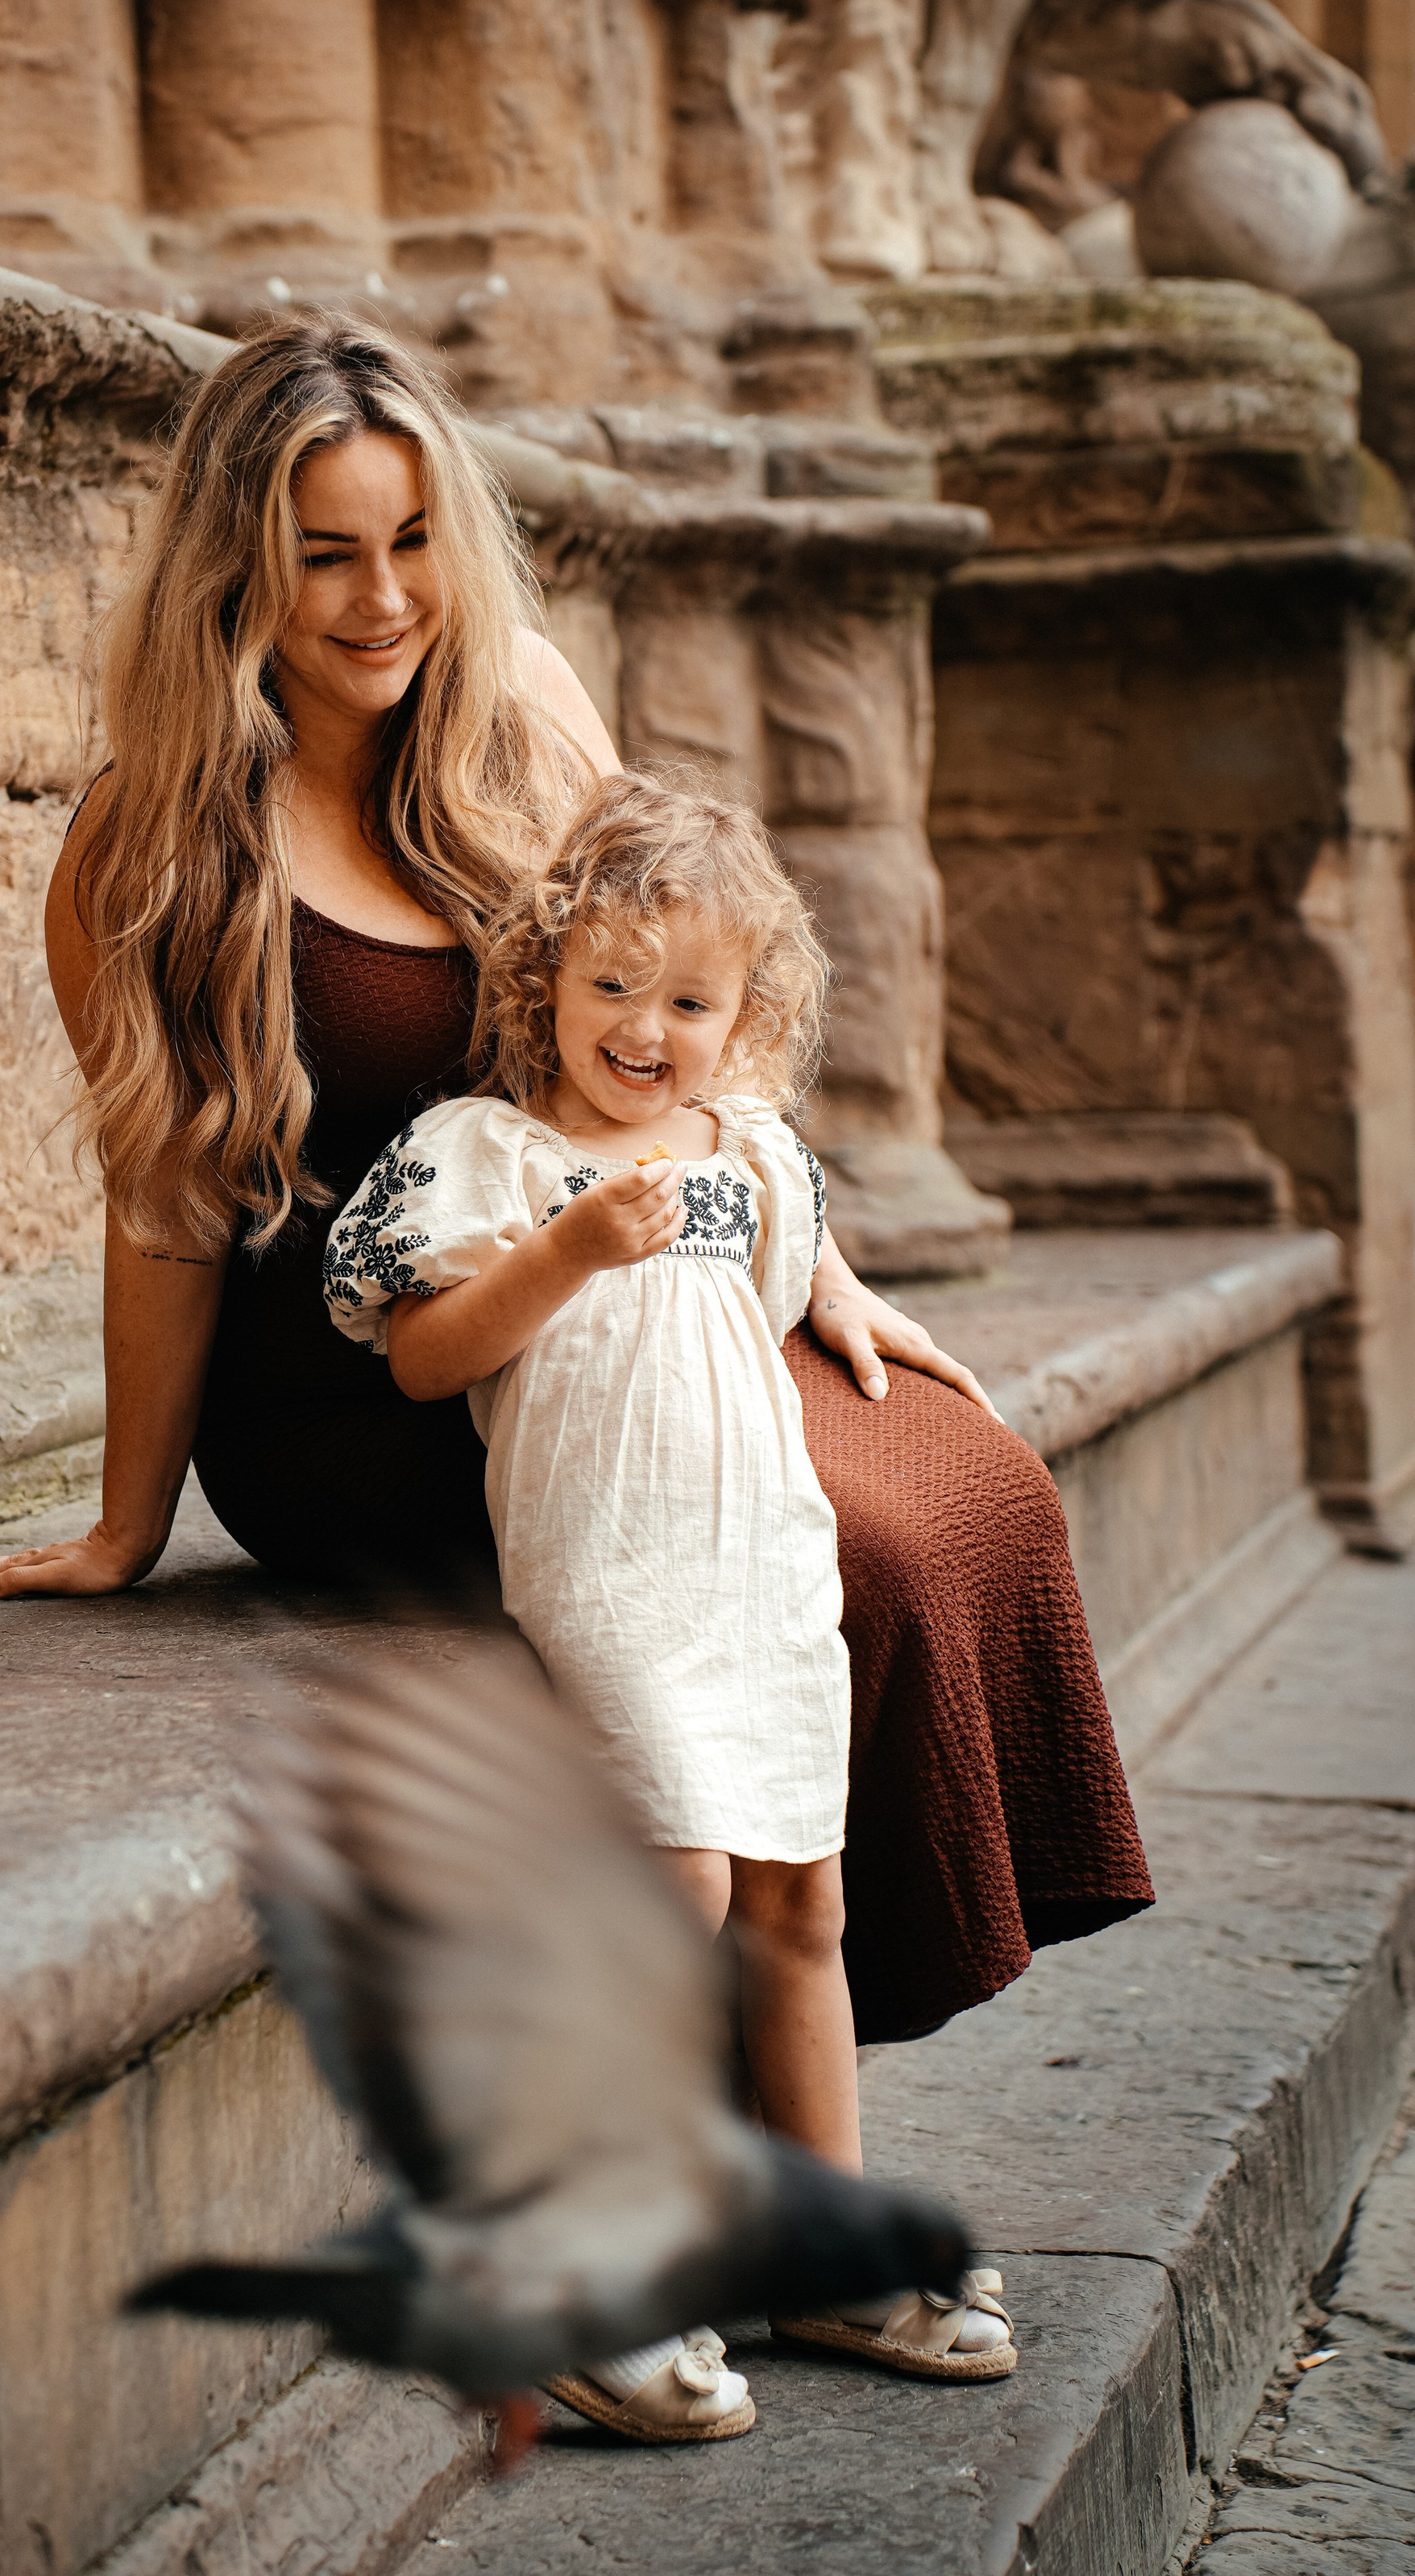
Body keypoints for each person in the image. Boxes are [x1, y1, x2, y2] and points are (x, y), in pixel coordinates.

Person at [0, 312, 1149, 2149]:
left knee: (965, 1479)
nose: (376, 596)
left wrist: (807, 1267)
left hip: (615, 1292)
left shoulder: (528, 714)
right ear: (233, 565)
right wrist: (125, 1522)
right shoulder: (150, 842)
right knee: (852, 1552)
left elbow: (682, 993)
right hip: (366, 1381)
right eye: (320, 551)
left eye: (409, 539)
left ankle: (803, 2083)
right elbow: (163, 1197)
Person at [319, 770, 1013, 2436]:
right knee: (676, 1888)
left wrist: (844, 1315)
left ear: (741, 1015)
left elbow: (760, 1313)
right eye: (610, 985)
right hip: (609, 1568)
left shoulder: (752, 1155)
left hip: (757, 1570)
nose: (642, 1027)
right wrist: (562, 1254)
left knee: (799, 1911)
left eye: (686, 999)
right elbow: (417, 1356)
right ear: (542, 980)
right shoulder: (486, 1154)